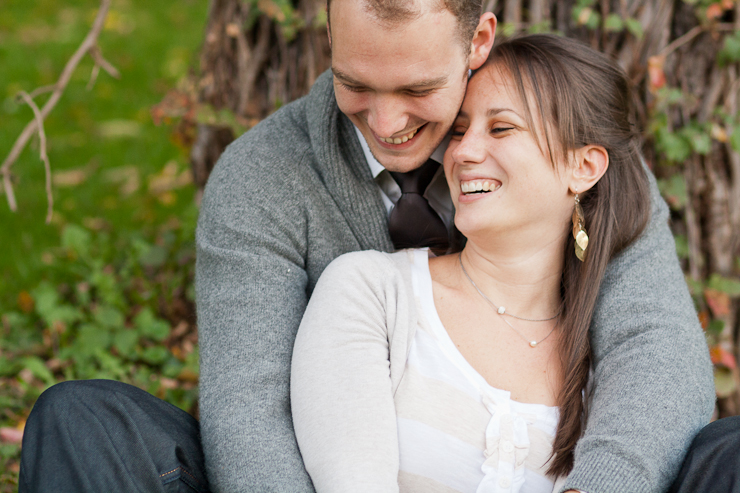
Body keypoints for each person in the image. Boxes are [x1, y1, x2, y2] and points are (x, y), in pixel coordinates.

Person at [18, 0, 719, 492]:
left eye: (418, 88)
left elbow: (658, 351)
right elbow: (250, 412)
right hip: (301, 472)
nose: (387, 121)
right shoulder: (264, 178)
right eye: (355, 83)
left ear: (477, 44)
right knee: (84, 422)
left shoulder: (566, 162)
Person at [289, 33, 707, 493]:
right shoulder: (372, 294)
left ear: (584, 167)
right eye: (460, 130)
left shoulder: (613, 375)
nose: (463, 152)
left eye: (501, 128)